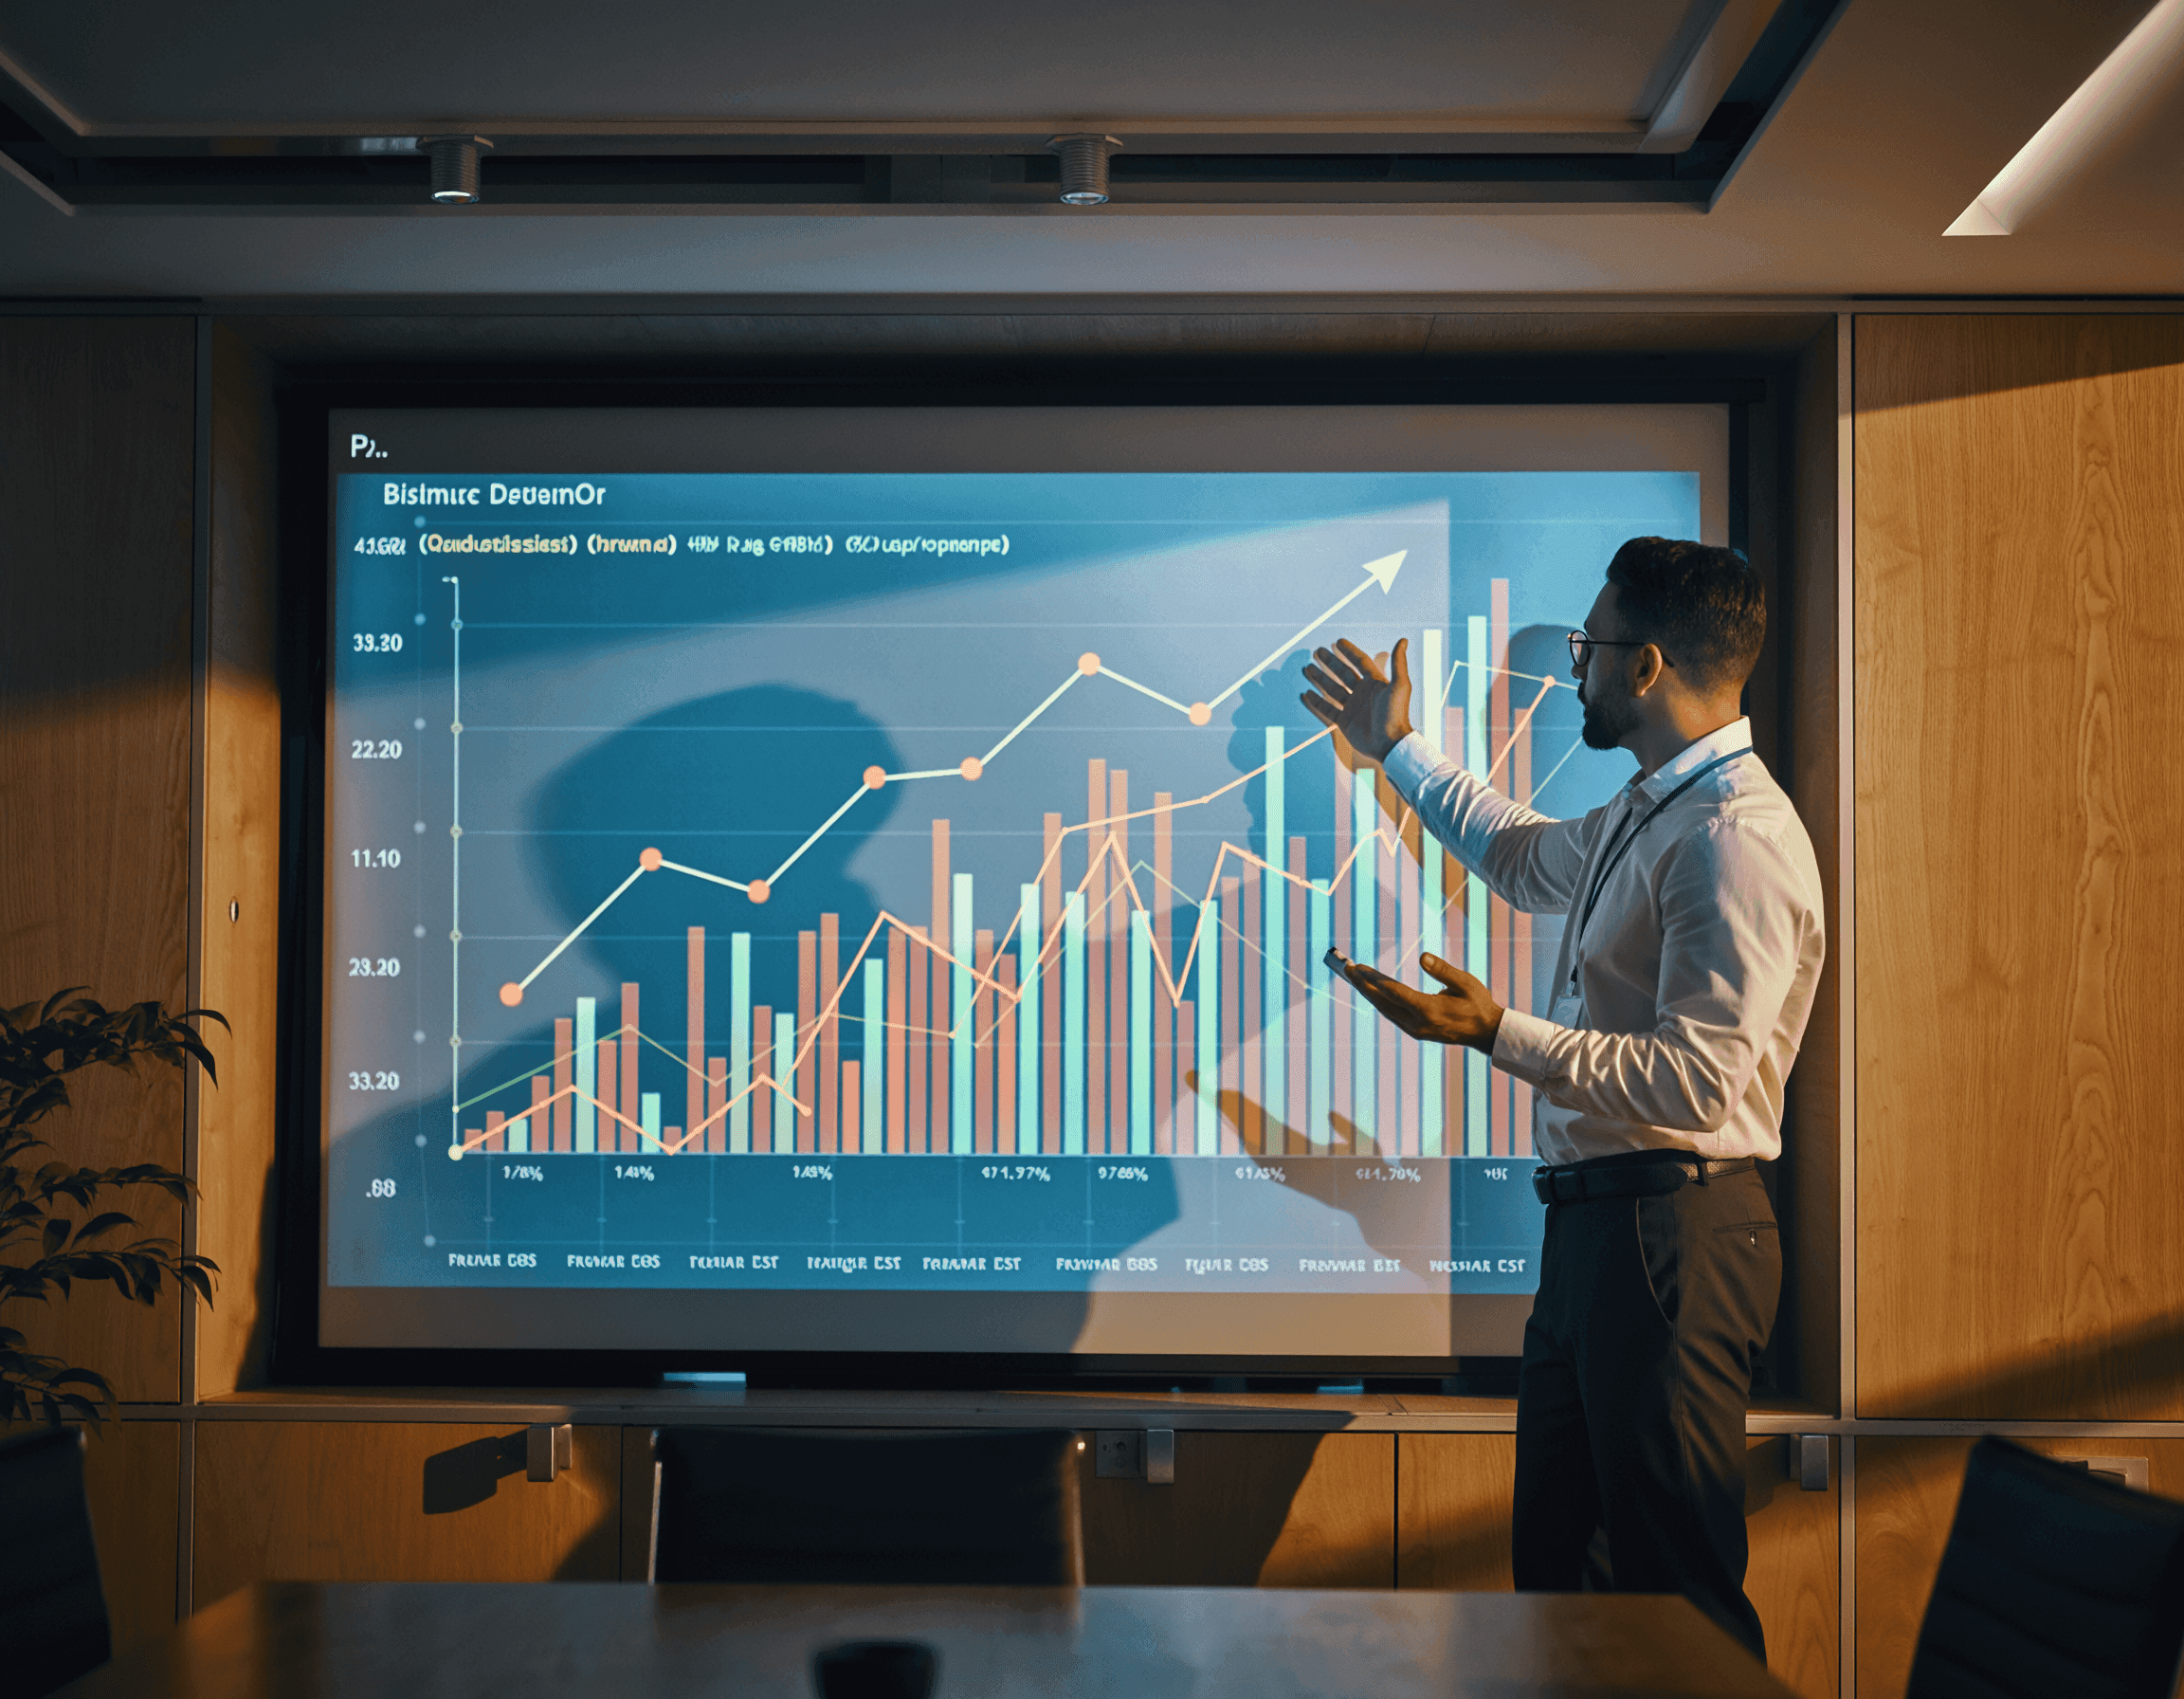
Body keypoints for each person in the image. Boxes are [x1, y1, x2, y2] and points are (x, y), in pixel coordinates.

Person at [1299, 536, 1824, 1661]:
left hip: (1673, 1230)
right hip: (1601, 1232)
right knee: (1564, 1577)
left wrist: (1498, 1031)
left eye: (1590, 646)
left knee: (1675, 1592)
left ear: (1644, 669)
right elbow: (1525, 857)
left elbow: (1695, 1081)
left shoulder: (1735, 841)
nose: (1574, 666)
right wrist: (1395, 749)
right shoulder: (1656, 808)